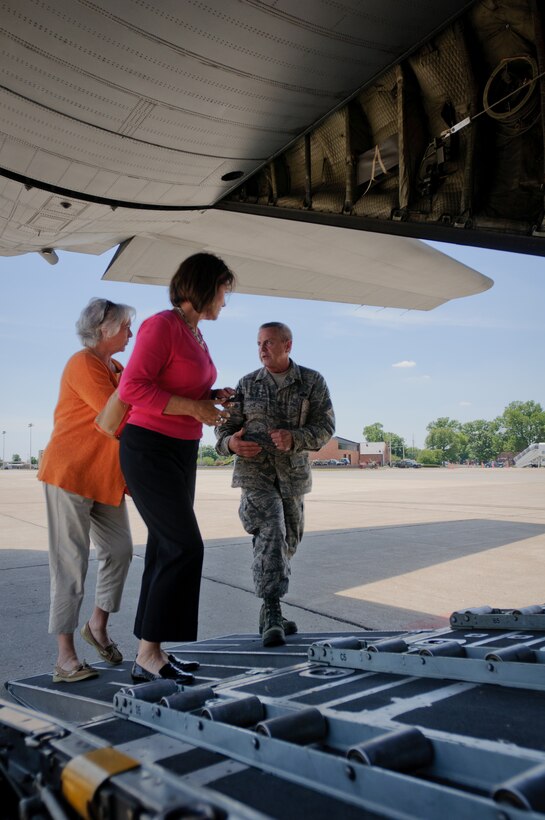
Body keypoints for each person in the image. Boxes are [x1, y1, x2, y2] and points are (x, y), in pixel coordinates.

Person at [118, 252, 235, 683]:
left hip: (181, 449)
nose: (226, 300)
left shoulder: (196, 334)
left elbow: (180, 382)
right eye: (224, 290)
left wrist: (213, 394)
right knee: (185, 546)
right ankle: (149, 654)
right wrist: (194, 407)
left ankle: (150, 654)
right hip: (149, 446)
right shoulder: (162, 325)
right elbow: (132, 387)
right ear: (204, 286)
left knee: (166, 547)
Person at [215, 322, 335, 646]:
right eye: (258, 344)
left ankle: (273, 609)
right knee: (271, 532)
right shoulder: (246, 384)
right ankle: (271, 610)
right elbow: (223, 430)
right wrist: (231, 445)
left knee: (288, 541)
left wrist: (295, 438)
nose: (262, 349)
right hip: (255, 475)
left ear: (288, 345)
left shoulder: (311, 382)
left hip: (293, 477)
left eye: (268, 343)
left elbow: (325, 427)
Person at [38, 298, 135, 683]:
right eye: (127, 326)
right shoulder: (83, 364)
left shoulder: (116, 367)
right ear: (103, 329)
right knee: (70, 563)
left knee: (120, 550)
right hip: (69, 473)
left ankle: (96, 625)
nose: (132, 332)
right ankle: (65, 658)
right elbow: (114, 416)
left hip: (104, 478)